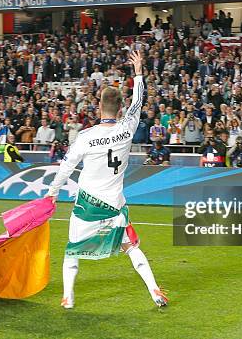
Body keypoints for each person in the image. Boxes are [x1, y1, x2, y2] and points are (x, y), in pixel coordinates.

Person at [45, 51, 167, 310]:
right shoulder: (127, 127)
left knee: (72, 250)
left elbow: (66, 167)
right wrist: (138, 72)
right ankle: (155, 291)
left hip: (87, 204)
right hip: (114, 204)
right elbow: (138, 101)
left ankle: (68, 297)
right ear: (120, 108)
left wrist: (52, 192)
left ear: (98, 106)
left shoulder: (86, 136)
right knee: (131, 247)